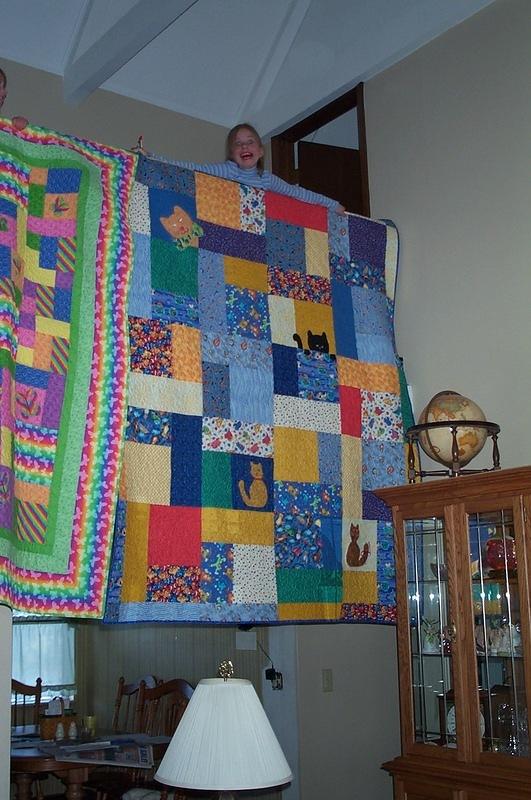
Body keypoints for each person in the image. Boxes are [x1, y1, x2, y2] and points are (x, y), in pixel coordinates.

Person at [144, 123, 345, 214]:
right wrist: (152, 158)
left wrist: (332, 205)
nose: (244, 147)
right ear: (232, 153)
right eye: (238, 144)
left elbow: (295, 193)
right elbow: (193, 169)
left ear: (260, 151)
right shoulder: (229, 171)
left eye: (250, 142)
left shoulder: (266, 179)